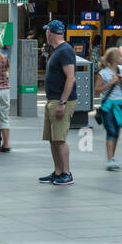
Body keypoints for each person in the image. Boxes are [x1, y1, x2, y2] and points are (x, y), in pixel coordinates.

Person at [40, 20, 76, 186]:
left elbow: (71, 77)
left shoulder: (65, 51)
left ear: (49, 32)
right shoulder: (56, 51)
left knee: (60, 139)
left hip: (60, 100)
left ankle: (67, 173)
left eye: (46, 31)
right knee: (53, 138)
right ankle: (58, 172)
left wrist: (63, 102)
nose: (46, 34)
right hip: (52, 99)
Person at [95, 49, 122, 170]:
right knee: (111, 131)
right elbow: (97, 90)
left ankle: (112, 158)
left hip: (119, 104)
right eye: (120, 56)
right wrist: (111, 82)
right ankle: (109, 160)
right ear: (114, 58)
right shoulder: (103, 73)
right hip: (108, 105)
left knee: (117, 132)